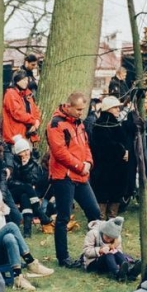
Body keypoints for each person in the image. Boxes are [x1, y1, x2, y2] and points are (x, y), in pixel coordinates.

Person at [47, 92, 100, 269]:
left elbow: (86, 146)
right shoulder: (56, 124)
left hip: (80, 174)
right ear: (68, 106)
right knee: (63, 217)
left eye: (82, 109)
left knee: (94, 211)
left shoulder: (79, 123)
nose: (80, 113)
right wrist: (80, 165)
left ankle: (96, 251)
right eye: (78, 109)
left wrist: (89, 162)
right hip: (63, 176)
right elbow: (59, 152)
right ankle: (63, 258)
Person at [90, 96, 133, 218]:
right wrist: (122, 151)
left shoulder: (112, 123)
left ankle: (109, 217)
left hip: (112, 166)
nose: (118, 110)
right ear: (109, 109)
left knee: (111, 191)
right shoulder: (104, 125)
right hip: (108, 165)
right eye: (115, 107)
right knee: (106, 192)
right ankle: (103, 216)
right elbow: (106, 145)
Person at [7, 136, 52, 236]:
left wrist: (26, 167)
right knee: (26, 188)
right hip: (13, 192)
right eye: (23, 151)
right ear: (18, 153)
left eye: (27, 149)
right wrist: (22, 169)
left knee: (25, 197)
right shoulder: (11, 162)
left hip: (27, 193)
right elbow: (10, 182)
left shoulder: (32, 161)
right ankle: (39, 212)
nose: (26, 153)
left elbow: (34, 179)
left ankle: (27, 231)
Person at [81, 216, 140, 280]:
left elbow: (119, 251)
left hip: (110, 262)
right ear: (104, 232)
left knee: (117, 253)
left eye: (111, 238)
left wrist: (115, 251)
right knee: (108, 255)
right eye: (107, 237)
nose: (109, 240)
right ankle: (117, 273)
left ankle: (129, 271)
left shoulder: (117, 238)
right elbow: (86, 251)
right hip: (93, 262)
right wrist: (100, 250)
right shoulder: (93, 234)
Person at [1, 70, 40, 147]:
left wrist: (37, 122)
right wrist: (33, 121)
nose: (26, 82)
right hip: (15, 136)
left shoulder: (28, 94)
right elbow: (17, 113)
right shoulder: (10, 93)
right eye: (23, 80)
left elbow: (35, 110)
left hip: (28, 134)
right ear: (17, 81)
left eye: (27, 80)